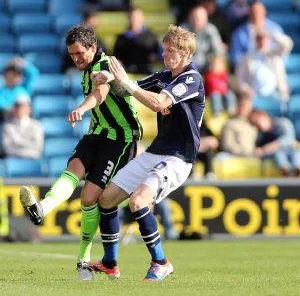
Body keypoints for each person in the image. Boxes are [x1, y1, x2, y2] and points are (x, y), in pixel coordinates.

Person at [19, 24, 142, 281]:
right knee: (73, 168)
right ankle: (42, 208)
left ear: (93, 48)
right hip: (98, 133)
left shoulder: (107, 64)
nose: (75, 59)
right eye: (71, 54)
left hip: (121, 139)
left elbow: (101, 93)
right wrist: (89, 119)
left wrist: (82, 108)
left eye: (79, 54)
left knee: (88, 199)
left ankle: (84, 259)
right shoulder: (85, 69)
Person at [90, 24, 205, 281]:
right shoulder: (164, 76)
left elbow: (158, 102)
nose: (165, 54)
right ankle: (110, 263)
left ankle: (161, 262)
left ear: (186, 53)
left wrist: (125, 83)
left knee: (138, 201)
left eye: (170, 50)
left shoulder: (191, 79)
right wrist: (110, 79)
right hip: (156, 152)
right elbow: (132, 88)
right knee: (106, 200)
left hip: (178, 158)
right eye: (164, 49)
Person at [235, 30, 293, 102]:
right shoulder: (247, 58)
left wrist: (270, 34)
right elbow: (240, 78)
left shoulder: (275, 53)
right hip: (255, 97)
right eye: (259, 38)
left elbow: (287, 44)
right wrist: (246, 90)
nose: (261, 40)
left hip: (276, 94)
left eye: (263, 38)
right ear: (255, 40)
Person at [230, 0, 283, 69]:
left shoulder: (275, 29)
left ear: (264, 11)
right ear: (249, 13)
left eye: (258, 11)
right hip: (249, 71)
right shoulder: (239, 33)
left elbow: (282, 51)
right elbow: (236, 57)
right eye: (253, 12)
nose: (256, 14)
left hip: (271, 68)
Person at [249, 110, 300, 176]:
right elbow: (259, 151)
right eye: (254, 123)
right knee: (278, 154)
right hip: (275, 154)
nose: (258, 124)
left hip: (290, 150)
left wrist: (269, 147)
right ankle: (285, 170)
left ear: (265, 117)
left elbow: (289, 139)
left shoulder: (283, 123)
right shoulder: (260, 135)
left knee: (295, 153)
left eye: (258, 119)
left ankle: (297, 170)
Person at [113, 6, 161, 75]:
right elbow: (117, 58)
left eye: (137, 17)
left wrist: (155, 58)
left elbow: (158, 57)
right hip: (127, 72)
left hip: (147, 72)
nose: (135, 20)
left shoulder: (152, 36)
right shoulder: (121, 39)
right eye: (132, 17)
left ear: (142, 18)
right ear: (128, 18)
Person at [61, 9, 107, 75]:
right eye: (90, 20)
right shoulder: (74, 40)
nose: (92, 23)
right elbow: (68, 61)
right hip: (76, 71)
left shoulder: (100, 43)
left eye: (94, 20)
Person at [180, 5, 223, 73]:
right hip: (189, 64)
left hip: (208, 64)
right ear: (189, 17)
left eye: (198, 19)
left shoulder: (211, 30)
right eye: (193, 18)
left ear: (205, 19)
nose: (195, 21)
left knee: (218, 62)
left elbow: (218, 51)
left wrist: (214, 61)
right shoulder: (183, 30)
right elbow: (178, 51)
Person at [0, 57, 39, 123]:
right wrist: (16, 109)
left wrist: (23, 63)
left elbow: (34, 73)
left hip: (25, 121)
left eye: (19, 75)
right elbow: (3, 105)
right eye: (13, 74)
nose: (17, 77)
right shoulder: (2, 92)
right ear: (6, 75)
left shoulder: (24, 88)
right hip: (8, 122)